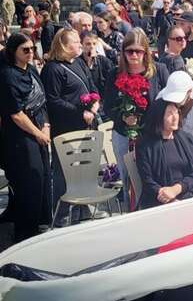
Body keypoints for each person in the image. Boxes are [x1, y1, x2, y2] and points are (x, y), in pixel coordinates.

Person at [41, 28, 102, 226]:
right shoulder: (53, 69)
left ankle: (82, 208)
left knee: (84, 169)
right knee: (64, 174)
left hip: (86, 124)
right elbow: (53, 100)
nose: (79, 44)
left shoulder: (78, 63)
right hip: (66, 128)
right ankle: (61, 215)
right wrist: (79, 111)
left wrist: (94, 104)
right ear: (64, 46)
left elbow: (92, 86)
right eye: (75, 41)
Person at [104, 29, 170, 210]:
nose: (134, 55)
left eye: (138, 51)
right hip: (124, 135)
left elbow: (168, 102)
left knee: (153, 176)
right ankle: (130, 211)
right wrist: (123, 117)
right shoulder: (114, 73)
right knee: (128, 179)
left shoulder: (159, 71)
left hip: (151, 134)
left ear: (146, 52)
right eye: (129, 51)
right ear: (123, 52)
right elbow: (107, 106)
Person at [0, 33, 51, 241]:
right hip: (21, 136)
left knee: (43, 177)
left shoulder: (30, 69)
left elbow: (42, 99)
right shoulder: (7, 75)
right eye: (25, 50)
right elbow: (15, 113)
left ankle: (40, 223)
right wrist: (37, 133)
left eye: (32, 48)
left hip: (39, 125)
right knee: (30, 181)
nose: (31, 53)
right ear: (14, 52)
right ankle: (25, 233)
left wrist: (46, 127)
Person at [135, 98, 193, 209]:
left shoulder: (187, 139)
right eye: (170, 114)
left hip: (186, 194)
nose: (175, 117)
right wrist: (168, 196)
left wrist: (176, 189)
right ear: (159, 117)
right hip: (158, 198)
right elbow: (147, 180)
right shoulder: (145, 145)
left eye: (176, 112)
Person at [77, 31, 113, 118]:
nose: (92, 47)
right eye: (88, 44)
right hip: (85, 104)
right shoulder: (77, 62)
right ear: (81, 45)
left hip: (103, 104)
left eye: (94, 44)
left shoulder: (104, 62)